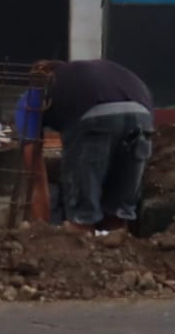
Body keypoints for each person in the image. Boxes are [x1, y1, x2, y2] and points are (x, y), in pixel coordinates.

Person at [16, 59, 155, 230]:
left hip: (92, 118)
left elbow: (35, 175)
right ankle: (115, 249)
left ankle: (81, 243)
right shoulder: (90, 74)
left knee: (82, 217)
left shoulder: (29, 100)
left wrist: (40, 232)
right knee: (118, 213)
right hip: (142, 115)